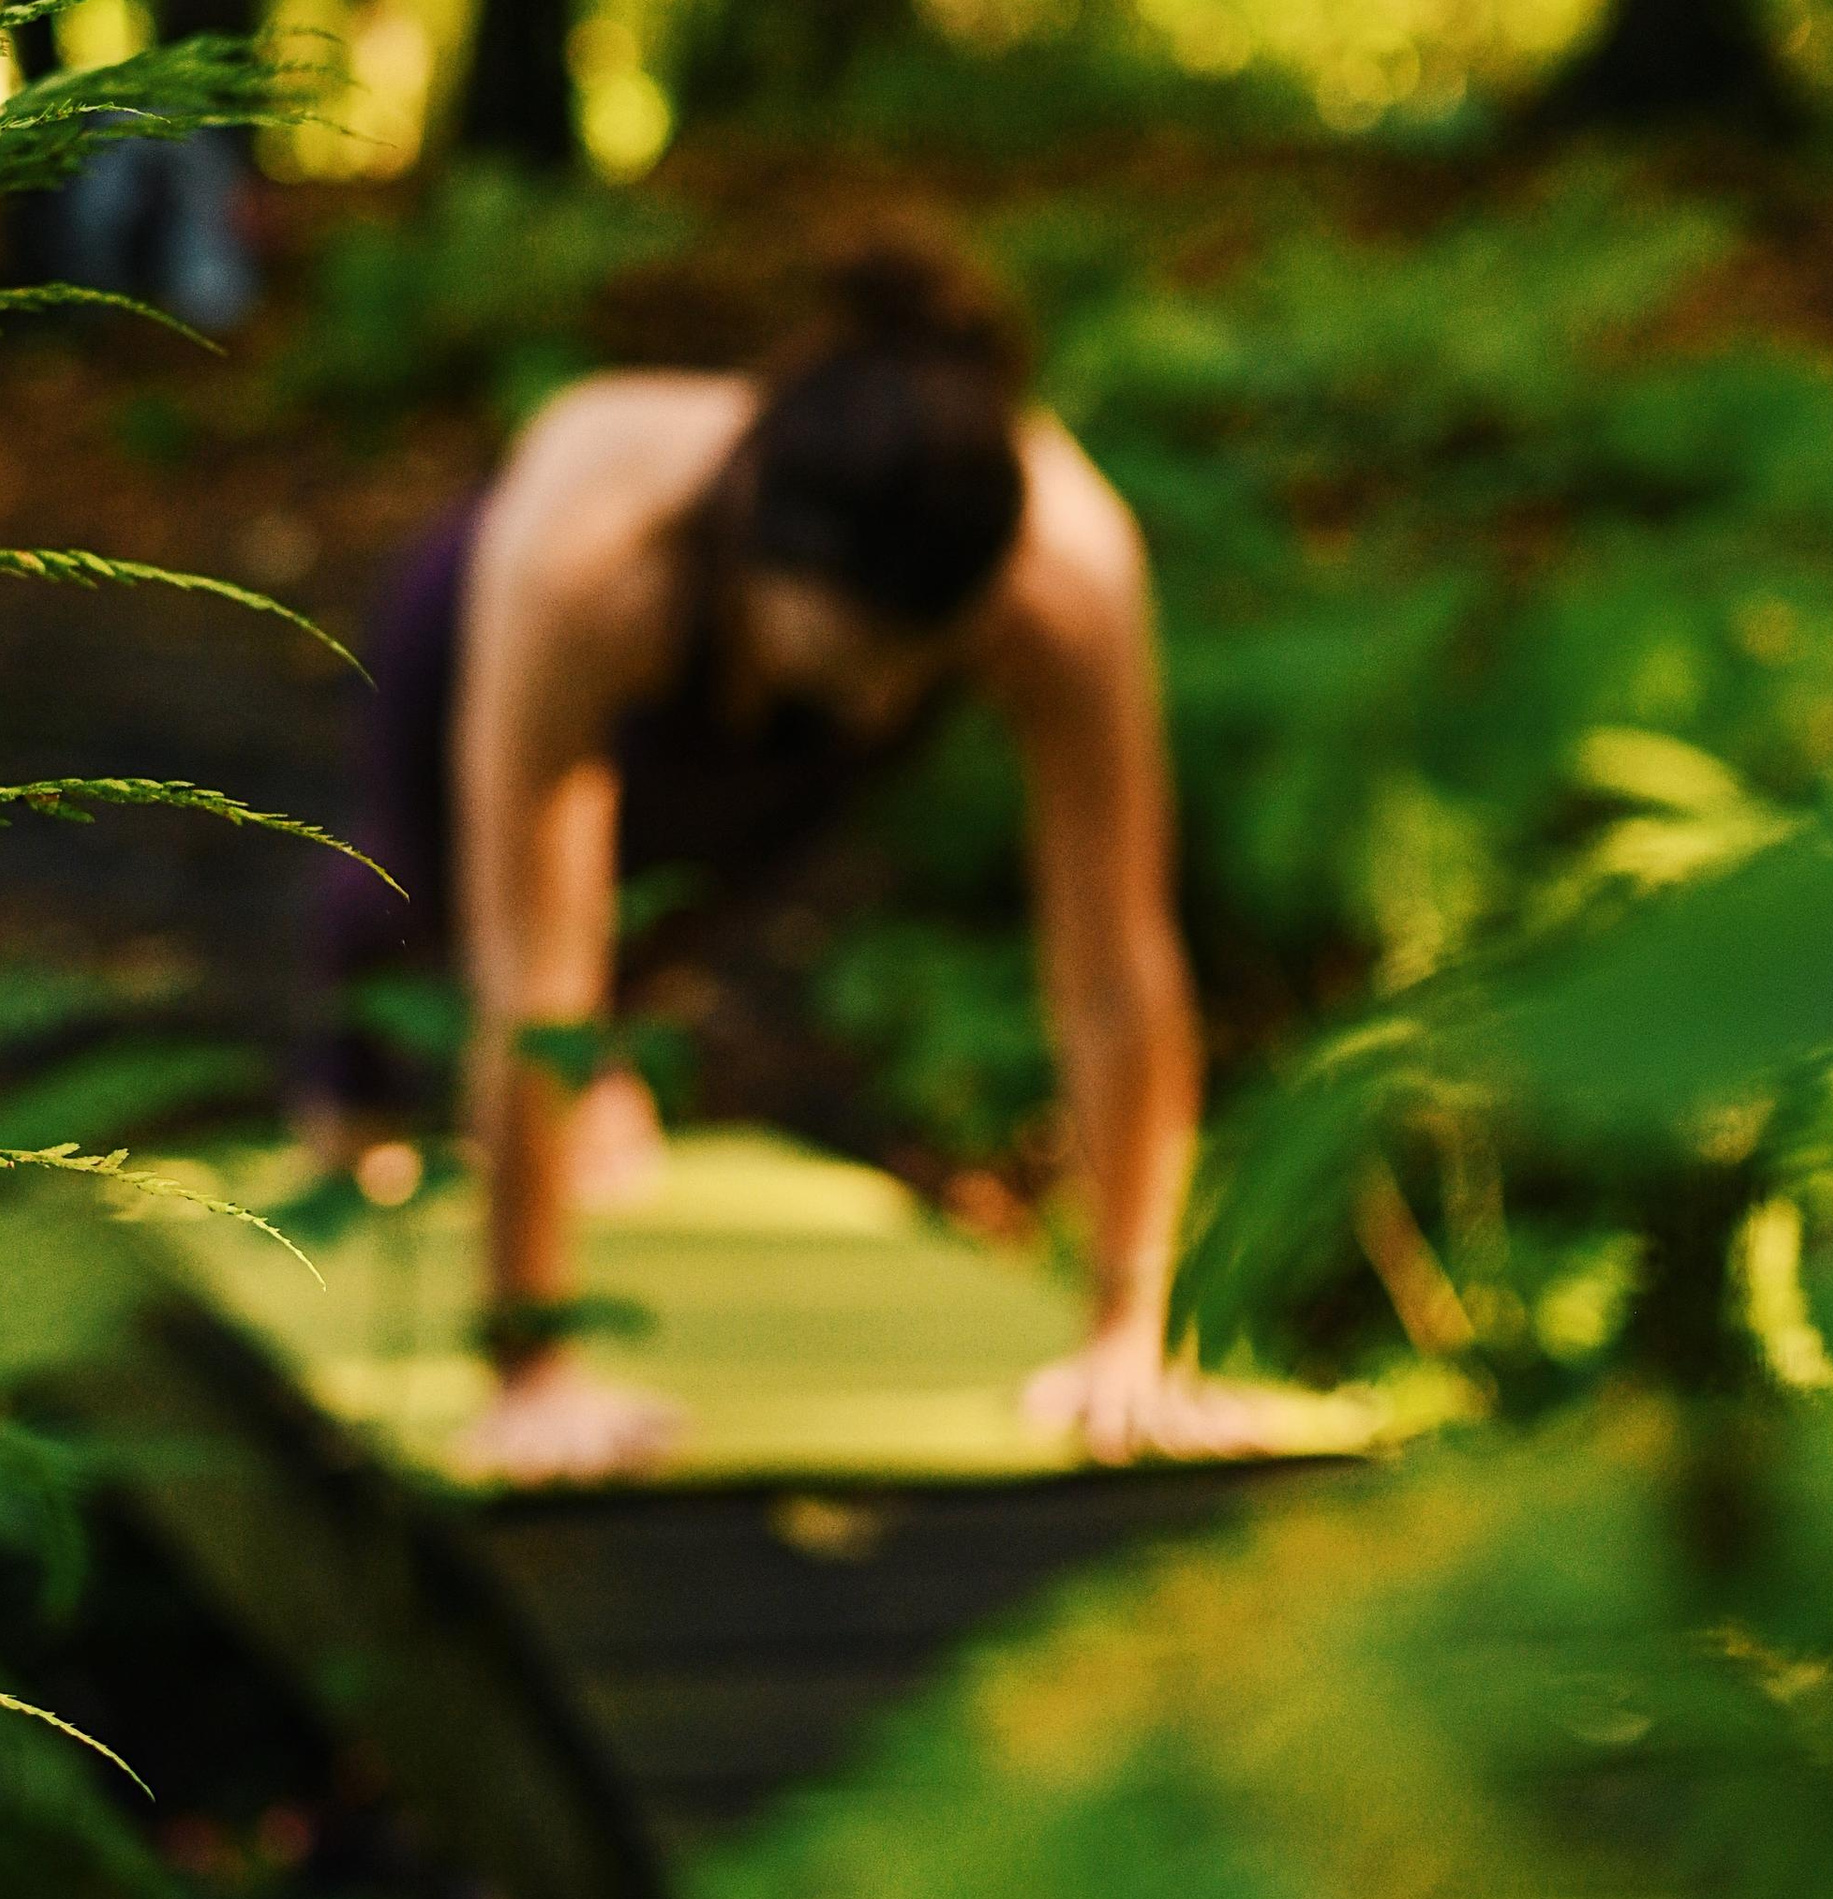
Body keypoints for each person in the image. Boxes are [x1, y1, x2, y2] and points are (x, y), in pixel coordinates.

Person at [307, 227, 1273, 1482]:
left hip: (742, 676)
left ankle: (599, 1082)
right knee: (413, 901)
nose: (881, 705)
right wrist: (530, 1371)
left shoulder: (1066, 571)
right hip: (469, 616)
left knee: (688, 885)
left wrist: (1133, 1335)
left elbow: (1115, 965)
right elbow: (532, 967)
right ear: (758, 547)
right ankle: (344, 1094)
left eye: (913, 669)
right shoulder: (591, 558)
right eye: (853, 657)